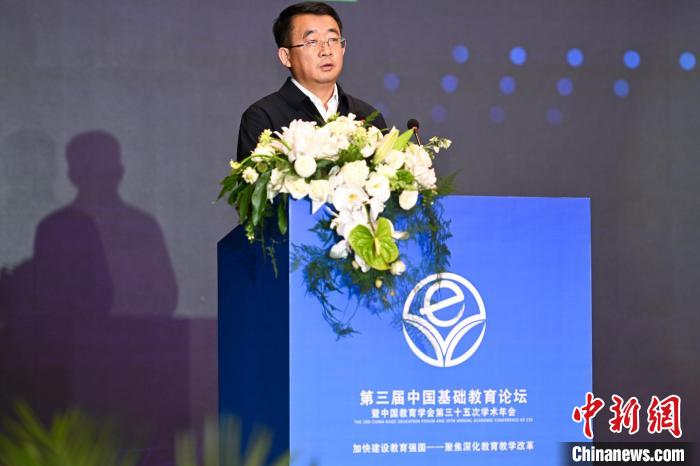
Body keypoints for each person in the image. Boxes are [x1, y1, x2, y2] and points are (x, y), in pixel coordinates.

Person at [236, 1, 387, 161]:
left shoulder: (367, 116)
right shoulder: (263, 117)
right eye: (312, 42)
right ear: (286, 56)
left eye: (333, 39)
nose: (326, 51)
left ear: (343, 48)